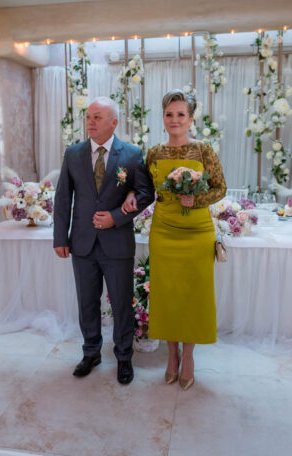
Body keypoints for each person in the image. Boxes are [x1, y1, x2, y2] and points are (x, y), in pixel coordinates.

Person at [123, 89, 226, 390]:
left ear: (191, 119)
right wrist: (131, 194)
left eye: (181, 114)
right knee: (166, 294)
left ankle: (189, 356)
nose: (175, 119)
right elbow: (144, 188)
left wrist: (198, 199)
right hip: (164, 230)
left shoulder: (204, 150)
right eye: (169, 114)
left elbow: (220, 187)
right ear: (163, 118)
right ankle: (171, 355)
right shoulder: (154, 153)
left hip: (197, 231)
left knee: (194, 294)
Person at [53, 97, 154, 385]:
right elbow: (63, 198)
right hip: (82, 243)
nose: (90, 122)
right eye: (88, 117)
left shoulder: (132, 155)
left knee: (122, 304)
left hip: (117, 243)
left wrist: (116, 217)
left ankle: (123, 357)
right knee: (87, 302)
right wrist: (60, 237)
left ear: (114, 122)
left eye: (97, 117)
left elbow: (145, 193)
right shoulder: (73, 154)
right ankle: (91, 352)